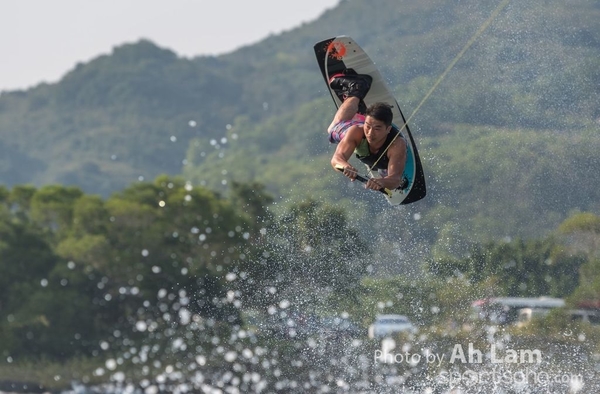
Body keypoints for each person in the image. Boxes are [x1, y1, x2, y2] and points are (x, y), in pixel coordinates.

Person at [327, 71, 407, 191]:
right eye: (368, 126)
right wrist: (345, 166)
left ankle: (359, 114)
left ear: (388, 129)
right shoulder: (357, 132)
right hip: (357, 132)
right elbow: (336, 159)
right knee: (333, 129)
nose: (370, 133)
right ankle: (355, 89)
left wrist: (383, 182)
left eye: (377, 128)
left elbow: (395, 179)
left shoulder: (396, 144)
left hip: (376, 152)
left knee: (385, 167)